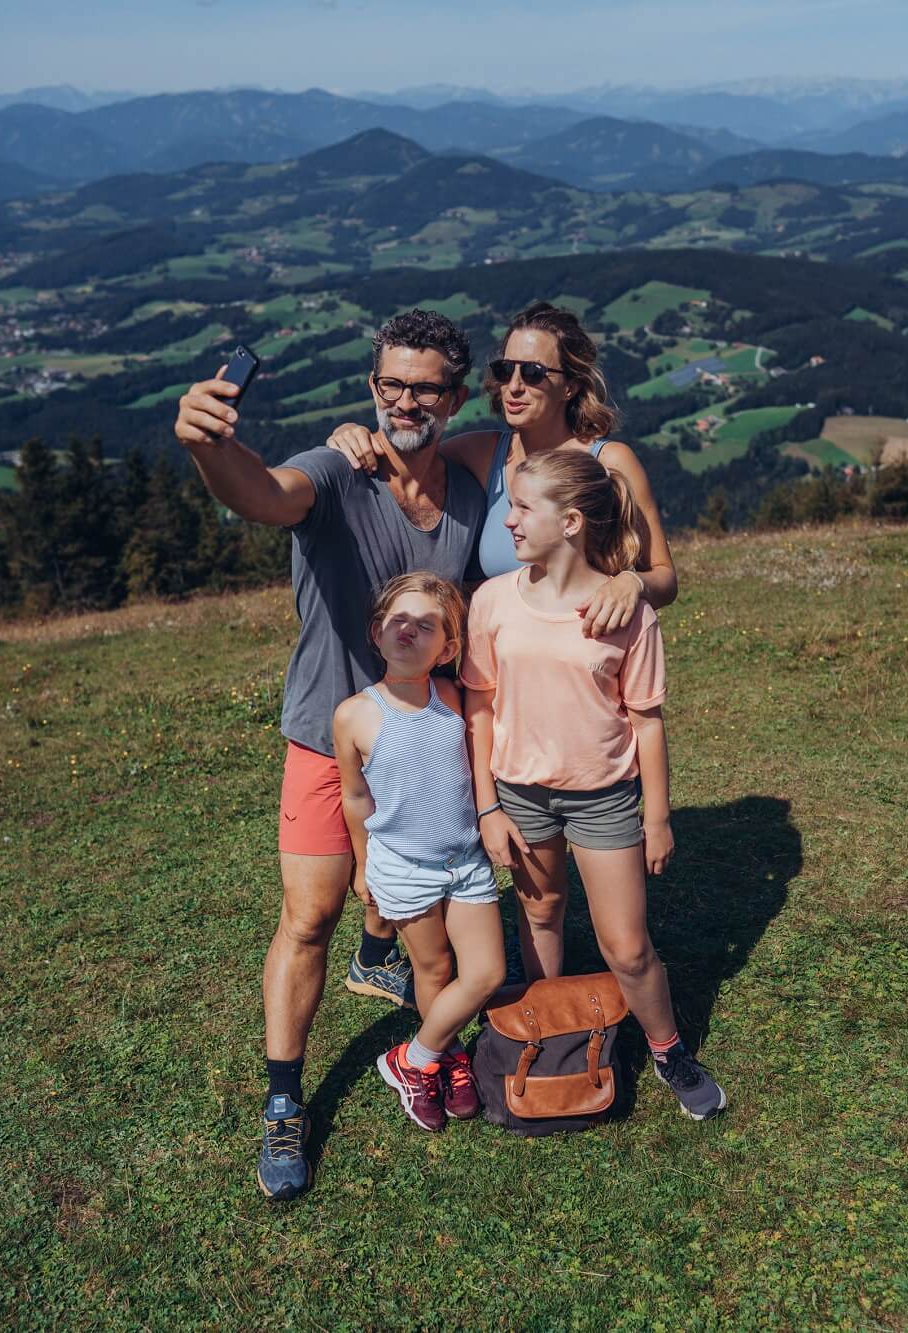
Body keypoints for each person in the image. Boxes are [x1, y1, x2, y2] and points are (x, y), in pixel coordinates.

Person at [173, 310, 484, 1200]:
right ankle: (284, 1101)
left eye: (424, 387)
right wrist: (207, 445)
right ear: (372, 386)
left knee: (427, 897)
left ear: (454, 397)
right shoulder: (338, 468)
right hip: (327, 732)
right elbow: (264, 495)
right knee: (308, 916)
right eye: (390, 384)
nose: (404, 402)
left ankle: (387, 967)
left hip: (426, 740)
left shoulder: (470, 487)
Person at [460, 449, 726, 1119]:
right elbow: (479, 707)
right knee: (541, 914)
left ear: (571, 522)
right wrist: (488, 806)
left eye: (523, 508)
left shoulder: (628, 612)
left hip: (604, 798)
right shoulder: (491, 601)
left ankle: (668, 1050)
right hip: (519, 794)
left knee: (628, 947)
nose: (509, 521)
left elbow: (646, 720)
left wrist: (656, 816)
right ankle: (555, 1034)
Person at [327, 300, 677, 634]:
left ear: (570, 386)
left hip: (584, 655)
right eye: (505, 370)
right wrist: (351, 434)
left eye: (534, 374)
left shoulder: (608, 462)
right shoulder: (480, 453)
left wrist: (632, 583)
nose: (514, 386)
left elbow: (664, 577)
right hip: (498, 663)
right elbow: (404, 456)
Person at [332, 573, 505, 1132]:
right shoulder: (354, 714)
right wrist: (362, 865)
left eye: (426, 625)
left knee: (486, 972)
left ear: (448, 649)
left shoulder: (452, 698)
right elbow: (356, 797)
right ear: (376, 633)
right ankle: (447, 1057)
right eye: (398, 620)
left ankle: (413, 1058)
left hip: (466, 862)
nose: (408, 630)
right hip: (403, 869)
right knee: (433, 969)